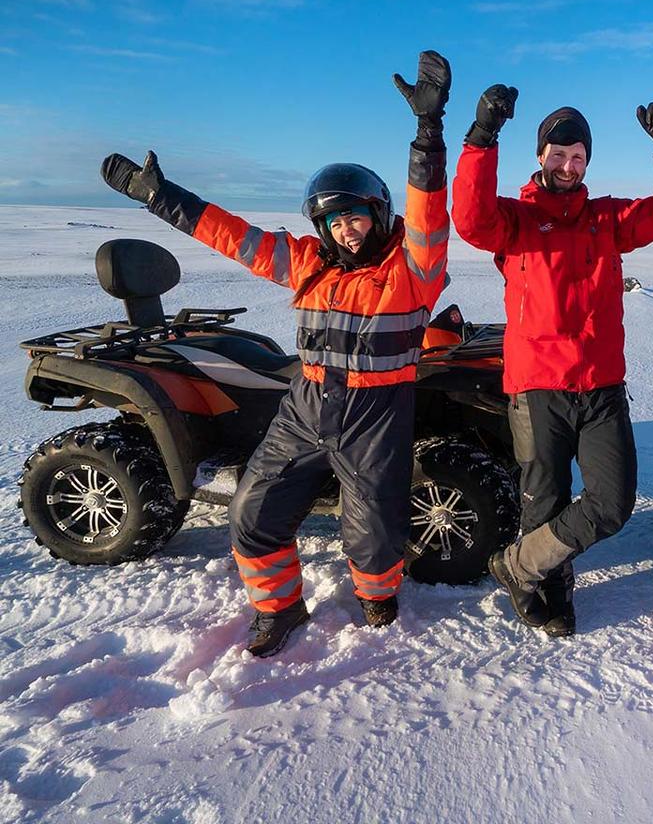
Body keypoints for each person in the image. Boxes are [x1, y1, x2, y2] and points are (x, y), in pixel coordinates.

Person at [99, 50, 453, 657]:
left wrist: (428, 136)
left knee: (373, 531)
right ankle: (278, 610)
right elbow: (232, 235)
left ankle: (377, 598)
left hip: (376, 411)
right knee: (253, 511)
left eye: (357, 217)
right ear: (322, 226)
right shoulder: (307, 263)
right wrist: (162, 198)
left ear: (379, 214)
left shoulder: (413, 268)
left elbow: (428, 216)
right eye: (335, 220)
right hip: (308, 404)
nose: (347, 229)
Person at [452, 89, 653, 637]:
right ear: (540, 156)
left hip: (602, 383)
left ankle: (518, 566)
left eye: (578, 155)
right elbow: (468, 217)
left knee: (612, 502)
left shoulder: (606, 218)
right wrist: (481, 137)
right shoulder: (512, 221)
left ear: (587, 161)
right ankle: (550, 586)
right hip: (538, 386)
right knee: (545, 499)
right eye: (558, 154)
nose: (567, 164)